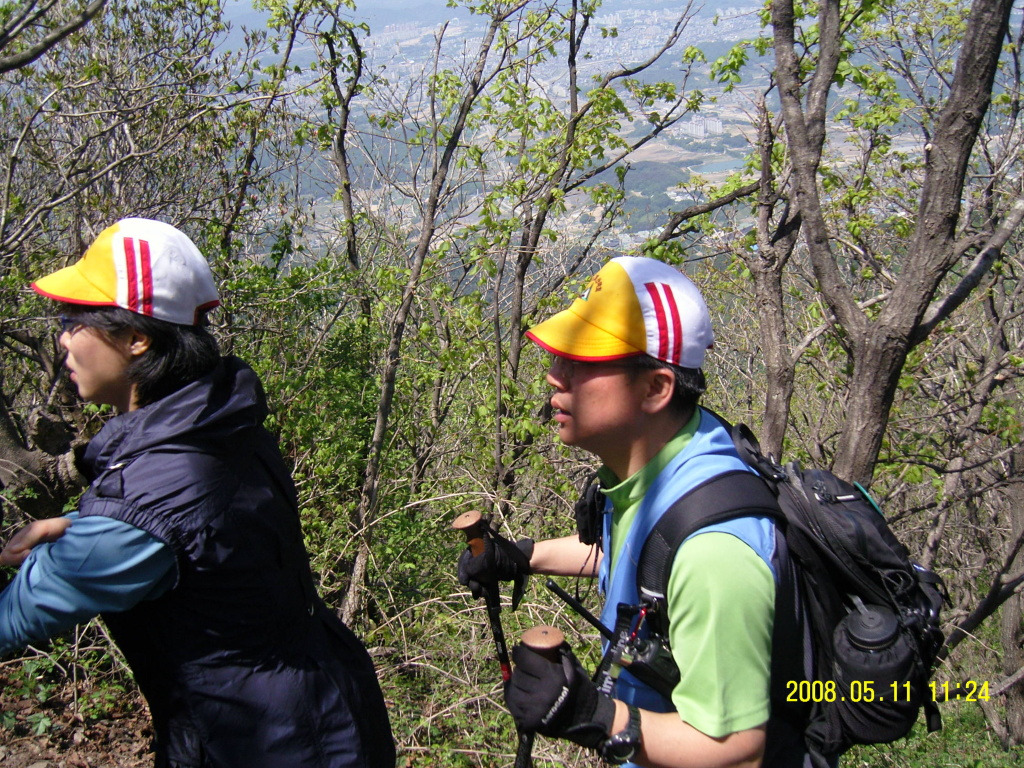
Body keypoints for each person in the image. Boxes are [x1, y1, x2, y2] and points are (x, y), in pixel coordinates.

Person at [0, 218, 396, 768]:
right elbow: (197, 545)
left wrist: (62, 549)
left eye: (75, 320)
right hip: (327, 714)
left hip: (261, 747)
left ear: (137, 338)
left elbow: (15, 615)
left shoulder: (148, 499)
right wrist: (85, 530)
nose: (62, 338)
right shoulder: (222, 423)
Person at [457, 256, 806, 768]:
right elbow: (645, 558)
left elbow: (736, 751)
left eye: (583, 361)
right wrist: (524, 556)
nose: (555, 377)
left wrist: (593, 714)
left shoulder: (716, 555)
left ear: (655, 388)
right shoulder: (670, 455)